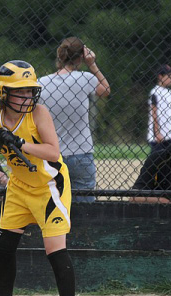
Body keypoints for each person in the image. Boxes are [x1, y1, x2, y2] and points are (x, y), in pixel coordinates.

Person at [0, 60, 80, 296]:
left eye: (31, 91)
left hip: (49, 185)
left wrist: (19, 143)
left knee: (54, 249)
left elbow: (53, 153)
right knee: (4, 245)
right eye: (20, 92)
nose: (28, 97)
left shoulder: (38, 114)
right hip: (19, 186)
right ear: (3, 94)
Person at [38, 37, 110, 203]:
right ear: (81, 58)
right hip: (80, 152)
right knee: (84, 202)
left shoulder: (41, 83)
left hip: (52, 153)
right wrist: (92, 64)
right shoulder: (84, 78)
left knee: (53, 201)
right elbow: (105, 89)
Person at [148, 64, 171, 153]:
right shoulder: (155, 92)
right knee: (156, 160)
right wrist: (157, 133)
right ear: (160, 76)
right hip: (159, 136)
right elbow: (154, 113)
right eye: (169, 76)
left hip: (170, 134)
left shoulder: (170, 92)